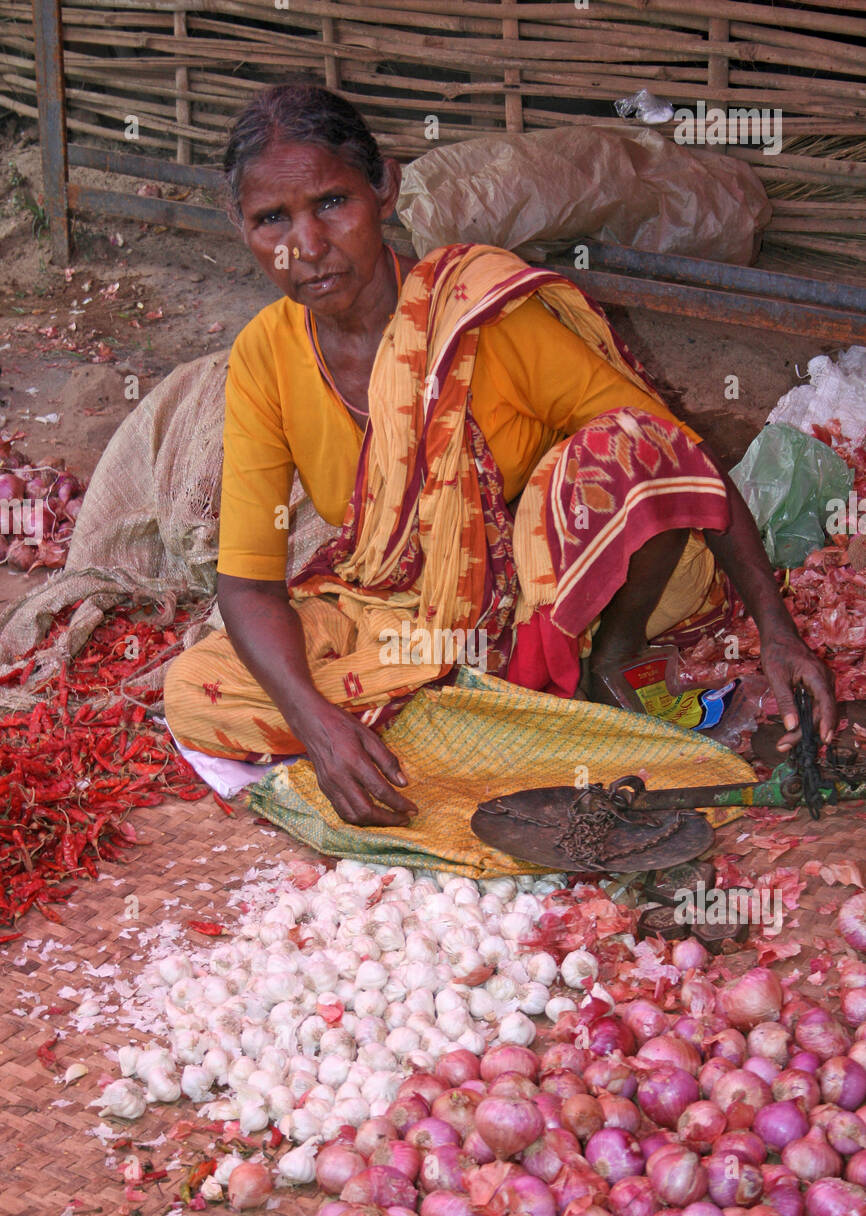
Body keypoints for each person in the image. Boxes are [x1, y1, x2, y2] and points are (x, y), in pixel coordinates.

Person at [164, 84, 836, 827]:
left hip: (569, 591)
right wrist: (318, 725)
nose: (309, 246)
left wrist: (778, 630)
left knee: (620, 447)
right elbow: (250, 585)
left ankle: (597, 671)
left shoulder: (482, 313)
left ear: (383, 188)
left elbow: (671, 454)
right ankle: (489, 715)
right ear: (241, 226)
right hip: (401, 613)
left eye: (331, 203)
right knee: (199, 686)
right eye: (272, 220)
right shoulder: (265, 356)